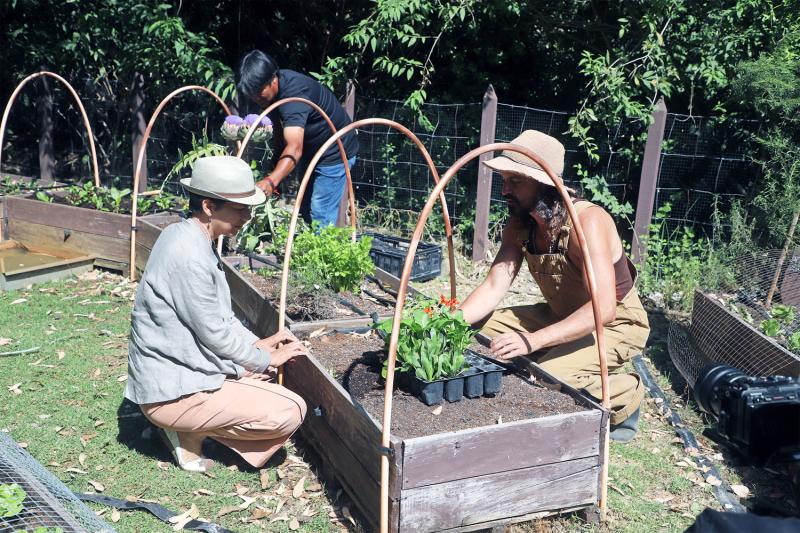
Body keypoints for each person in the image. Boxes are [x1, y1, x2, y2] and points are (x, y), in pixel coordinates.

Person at [459, 130, 650, 442]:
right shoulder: (520, 225)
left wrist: (532, 341)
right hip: (563, 316)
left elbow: (604, 308)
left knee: (550, 377)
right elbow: (494, 284)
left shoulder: (587, 222)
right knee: (476, 327)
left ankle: (626, 393)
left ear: (544, 182)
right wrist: (445, 322)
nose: (505, 190)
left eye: (516, 181)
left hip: (615, 324)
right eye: (504, 180)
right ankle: (557, 352)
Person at [125, 155, 309, 472]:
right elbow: (215, 334)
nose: (247, 216)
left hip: (179, 370)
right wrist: (266, 357)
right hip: (171, 389)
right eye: (239, 209)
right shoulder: (189, 255)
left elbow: (218, 318)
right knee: (290, 411)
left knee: (259, 366)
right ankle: (184, 432)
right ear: (209, 206)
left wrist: (262, 344)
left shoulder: (189, 235)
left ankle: (187, 423)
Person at [236, 50, 359, 227]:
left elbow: (294, 148)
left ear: (273, 79)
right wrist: (276, 160)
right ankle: (309, 250)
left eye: (258, 91)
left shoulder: (294, 96)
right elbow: (281, 127)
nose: (255, 97)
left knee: (321, 212)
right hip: (313, 150)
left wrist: (272, 181)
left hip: (335, 151)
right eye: (251, 93)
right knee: (306, 207)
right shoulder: (273, 93)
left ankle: (325, 253)